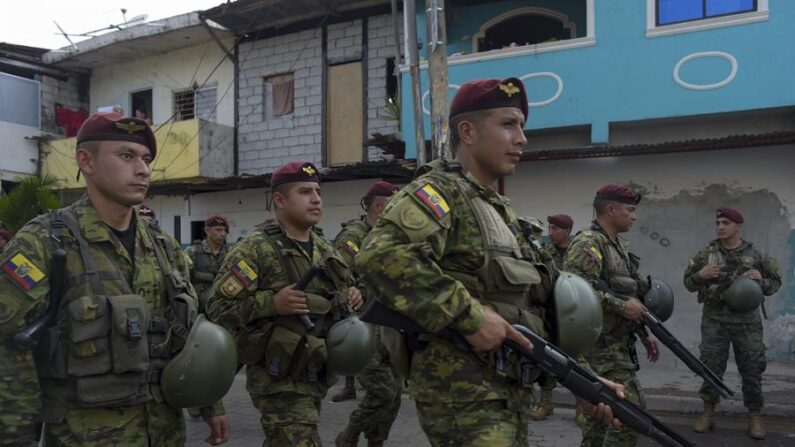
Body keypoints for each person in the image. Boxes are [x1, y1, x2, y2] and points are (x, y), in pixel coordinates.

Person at [355, 78, 624, 446]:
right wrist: (470, 315)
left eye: (522, 127)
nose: (522, 139)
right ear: (467, 131)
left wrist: (579, 377)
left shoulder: (502, 214)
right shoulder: (439, 193)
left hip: (508, 390)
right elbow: (380, 256)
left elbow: (530, 311)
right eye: (508, 124)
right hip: (463, 393)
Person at [0, 112, 228, 446]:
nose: (143, 169)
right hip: (84, 436)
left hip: (164, 433)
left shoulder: (162, 245)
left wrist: (211, 404)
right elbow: (9, 349)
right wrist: (15, 438)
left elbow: (188, 330)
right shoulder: (44, 243)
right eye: (126, 156)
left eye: (146, 159)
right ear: (86, 161)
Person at [207, 161, 363, 446]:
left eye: (317, 191)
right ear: (279, 200)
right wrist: (271, 303)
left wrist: (352, 295)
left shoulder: (324, 248)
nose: (316, 199)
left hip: (315, 371)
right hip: (276, 378)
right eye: (305, 191)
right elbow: (217, 308)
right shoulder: (255, 248)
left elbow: (342, 291)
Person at [562, 184, 660, 447]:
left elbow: (628, 296)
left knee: (597, 422)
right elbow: (573, 294)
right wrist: (620, 307)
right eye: (630, 210)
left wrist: (643, 333)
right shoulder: (587, 244)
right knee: (631, 413)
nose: (634, 216)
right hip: (599, 349)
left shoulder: (616, 246)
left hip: (617, 345)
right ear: (610, 209)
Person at [684, 207, 781, 439]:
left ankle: (754, 416)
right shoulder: (704, 255)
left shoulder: (756, 255)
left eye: (726, 222)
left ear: (738, 226)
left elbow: (775, 282)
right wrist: (702, 275)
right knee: (710, 366)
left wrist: (761, 280)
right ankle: (708, 412)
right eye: (717, 222)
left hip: (746, 322)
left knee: (751, 367)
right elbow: (688, 283)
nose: (720, 226)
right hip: (714, 320)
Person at [335, 181, 402, 447]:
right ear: (378, 206)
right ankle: (350, 432)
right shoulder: (354, 235)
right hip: (363, 329)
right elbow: (335, 276)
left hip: (390, 327)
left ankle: (376, 441)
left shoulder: (391, 236)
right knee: (383, 392)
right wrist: (352, 289)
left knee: (394, 394)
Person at [529, 213, 575, 422]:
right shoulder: (543, 251)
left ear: (567, 231)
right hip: (549, 311)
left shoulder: (578, 251)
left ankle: (582, 407)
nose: (550, 232)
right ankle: (546, 403)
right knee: (546, 356)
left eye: (555, 229)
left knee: (576, 360)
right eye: (549, 228)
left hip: (574, 313)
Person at [185, 214, 229, 311]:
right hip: (199, 308)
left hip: (223, 308)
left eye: (225, 230)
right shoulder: (192, 252)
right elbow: (183, 281)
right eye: (218, 230)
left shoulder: (230, 254)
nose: (223, 234)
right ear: (207, 230)